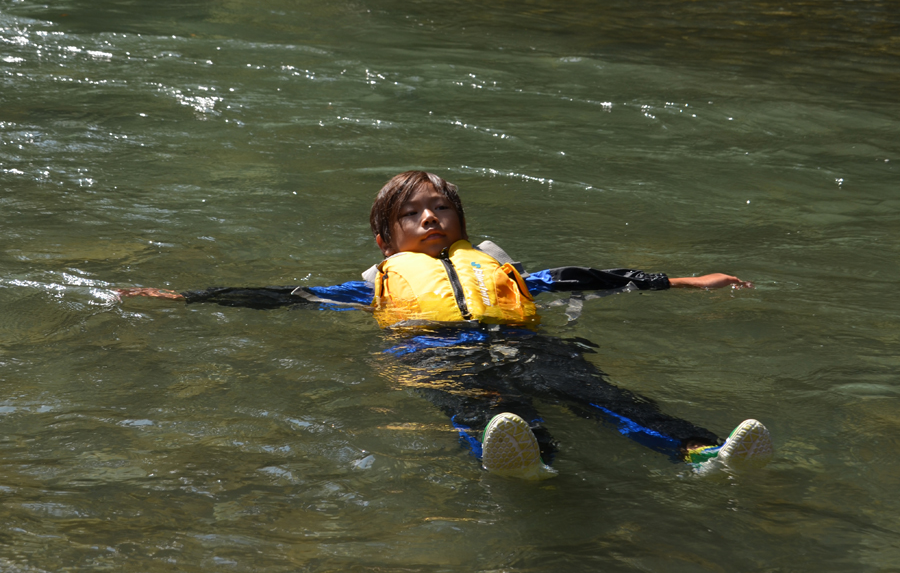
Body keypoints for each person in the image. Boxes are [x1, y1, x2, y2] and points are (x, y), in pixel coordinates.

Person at [118, 170, 774, 479]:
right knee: (483, 404)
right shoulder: (373, 286)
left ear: (461, 224)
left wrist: (685, 280)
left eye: (441, 210)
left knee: (603, 396)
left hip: (520, 341)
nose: (431, 219)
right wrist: (185, 298)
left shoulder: (503, 271)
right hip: (431, 349)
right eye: (415, 214)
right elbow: (285, 297)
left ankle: (700, 451)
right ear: (386, 240)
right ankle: (530, 462)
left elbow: (584, 277)